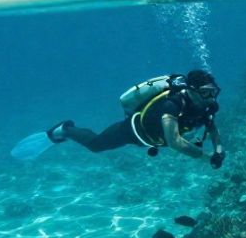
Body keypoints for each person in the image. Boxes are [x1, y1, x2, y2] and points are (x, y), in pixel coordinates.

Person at [43, 69, 225, 166]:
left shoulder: (207, 104)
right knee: (95, 145)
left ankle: (66, 130)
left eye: (213, 92)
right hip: (132, 132)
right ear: (192, 90)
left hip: (152, 138)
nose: (211, 98)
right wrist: (206, 157)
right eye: (206, 93)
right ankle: (66, 129)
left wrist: (219, 149)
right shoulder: (173, 104)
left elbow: (212, 126)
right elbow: (174, 142)